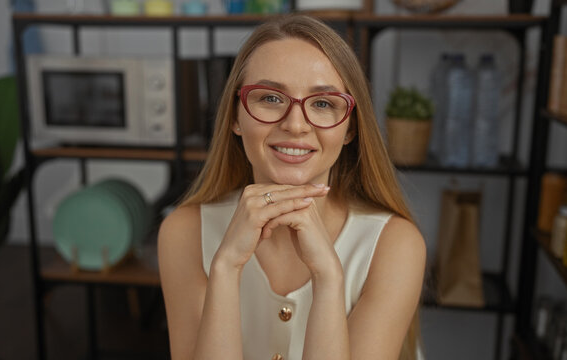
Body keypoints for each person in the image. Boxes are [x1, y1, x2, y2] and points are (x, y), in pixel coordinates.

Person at [158, 14, 426, 360]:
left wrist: (328, 278)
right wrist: (225, 267)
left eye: (323, 103)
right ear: (234, 118)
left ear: (349, 130)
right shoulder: (184, 232)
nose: (296, 124)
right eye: (270, 98)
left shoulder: (395, 244)